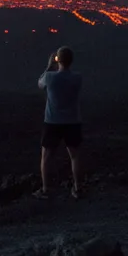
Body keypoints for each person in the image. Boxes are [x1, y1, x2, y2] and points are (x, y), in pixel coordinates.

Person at [37, 46, 84, 199]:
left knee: (46, 158)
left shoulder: (50, 77)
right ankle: (78, 188)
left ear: (58, 60)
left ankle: (46, 190)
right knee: (75, 156)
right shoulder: (77, 78)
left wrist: (50, 65)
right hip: (72, 121)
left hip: (52, 121)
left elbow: (40, 84)